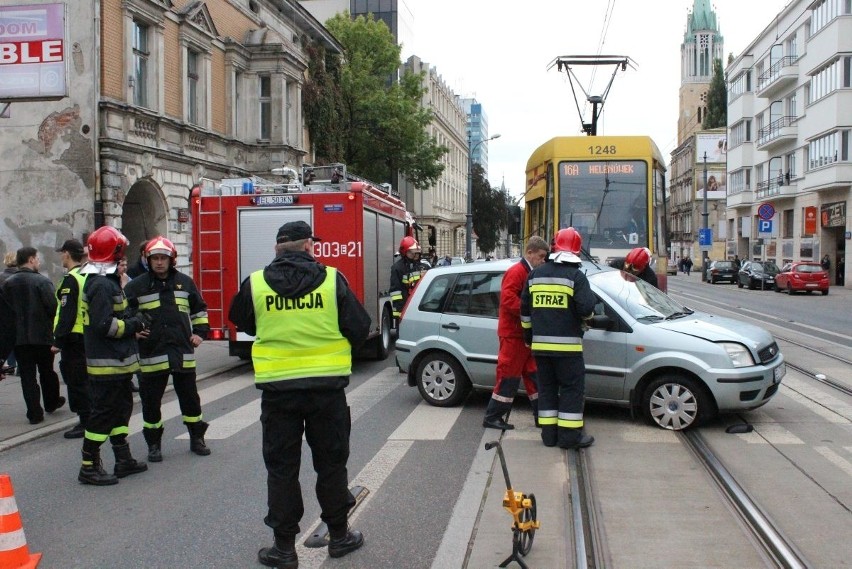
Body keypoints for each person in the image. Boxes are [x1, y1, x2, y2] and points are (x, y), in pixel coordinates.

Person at [229, 221, 370, 568]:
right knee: (332, 465)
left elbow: (242, 321)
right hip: (326, 392)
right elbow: (360, 327)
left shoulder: (257, 283)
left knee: (281, 470)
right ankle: (339, 537)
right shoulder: (332, 279)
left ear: (277, 249)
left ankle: (284, 549)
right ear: (309, 246)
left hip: (279, 394)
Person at [125, 236, 211, 462]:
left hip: (181, 351)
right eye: (155, 258)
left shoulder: (185, 282)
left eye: (163, 258)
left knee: (190, 400)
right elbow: (125, 314)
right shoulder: (136, 286)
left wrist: (200, 334)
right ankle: (154, 445)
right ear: (148, 260)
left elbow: (199, 310)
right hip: (152, 353)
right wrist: (132, 331)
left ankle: (197, 438)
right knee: (151, 404)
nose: (159, 262)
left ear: (171, 259)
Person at [77, 226, 151, 486]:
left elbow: (116, 316)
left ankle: (123, 459)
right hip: (107, 364)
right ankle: (89, 465)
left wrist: (134, 317)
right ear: (116, 251)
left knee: (121, 413)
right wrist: (134, 325)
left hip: (118, 363)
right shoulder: (101, 285)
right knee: (103, 415)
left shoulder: (106, 281)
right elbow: (105, 325)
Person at [521, 228, 596, 449]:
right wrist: (587, 318)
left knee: (546, 389)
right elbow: (586, 309)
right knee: (572, 390)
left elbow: (524, 312)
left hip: (541, 348)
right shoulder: (576, 276)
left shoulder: (535, 275)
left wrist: (528, 337)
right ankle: (569, 437)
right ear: (576, 250)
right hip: (568, 350)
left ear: (555, 247)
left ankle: (549, 436)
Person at [483, 236, 549, 431]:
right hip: (514, 335)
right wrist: (531, 311)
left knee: (534, 375)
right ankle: (493, 416)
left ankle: (541, 415)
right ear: (530, 253)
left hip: (522, 334)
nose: (543, 261)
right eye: (541, 256)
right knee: (509, 376)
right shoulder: (517, 272)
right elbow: (508, 300)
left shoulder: (525, 272)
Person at [1, 247, 64, 425]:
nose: (38, 261)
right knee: (47, 371)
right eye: (36, 258)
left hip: (19, 339)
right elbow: (53, 307)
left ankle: (34, 412)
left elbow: (5, 314)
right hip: (42, 337)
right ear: (30, 259)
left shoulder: (8, 284)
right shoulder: (41, 281)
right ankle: (51, 402)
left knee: (27, 376)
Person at [52, 239, 92, 439]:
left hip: (73, 339)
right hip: (86, 335)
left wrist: (58, 341)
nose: (61, 257)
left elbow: (67, 312)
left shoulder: (71, 279)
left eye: (62, 253)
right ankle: (89, 417)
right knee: (85, 379)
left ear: (67, 254)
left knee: (76, 381)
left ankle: (85, 421)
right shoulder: (86, 276)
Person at [389, 236, 422, 320]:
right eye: (412, 253)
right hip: (403, 308)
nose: (415, 255)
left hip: (415, 306)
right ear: (405, 252)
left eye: (416, 253)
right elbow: (396, 292)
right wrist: (400, 311)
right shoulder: (398, 268)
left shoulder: (416, 266)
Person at [0, 252, 19, 373]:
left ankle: (10, 365)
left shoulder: (1, 276)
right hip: (18, 313)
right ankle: (20, 368)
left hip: (3, 314)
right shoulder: (20, 277)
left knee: (7, 339)